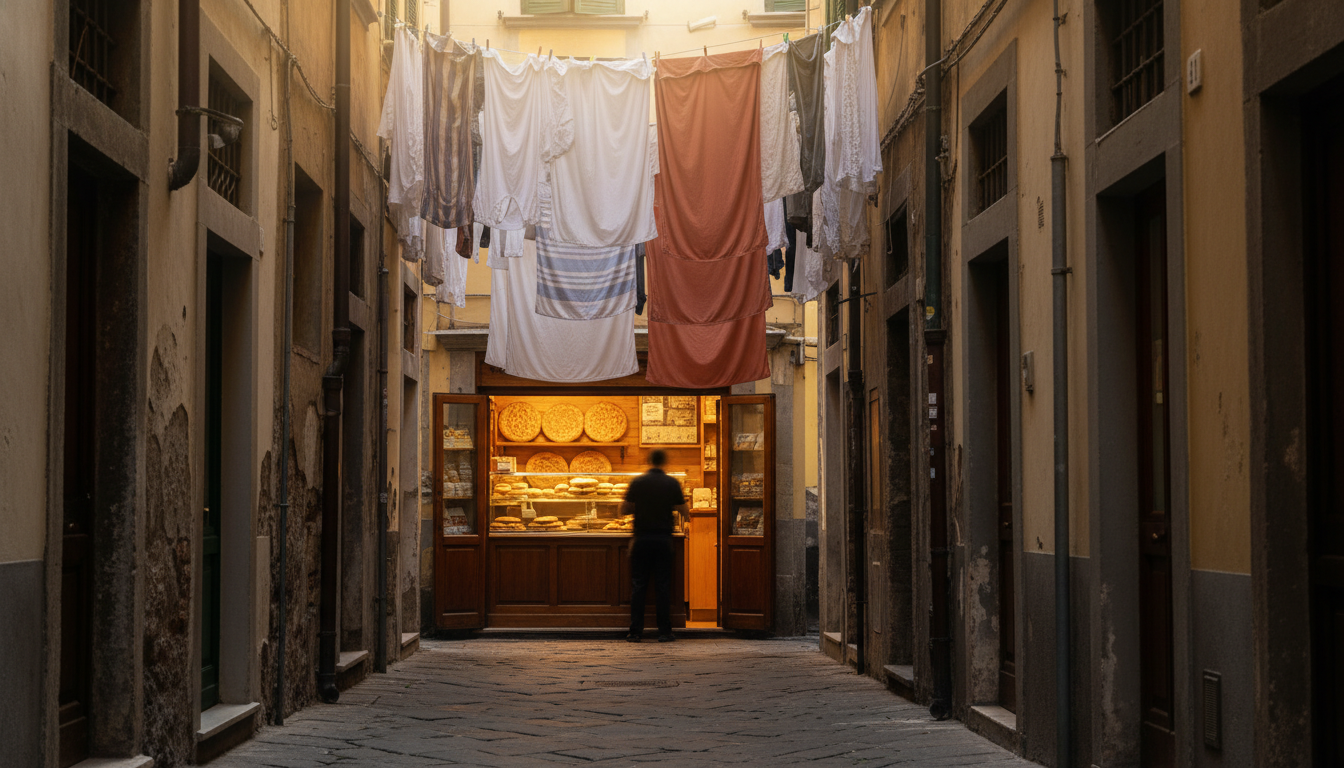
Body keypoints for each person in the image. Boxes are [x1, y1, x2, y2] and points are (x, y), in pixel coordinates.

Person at [622, 449, 688, 642]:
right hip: (663, 539)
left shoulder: (638, 482)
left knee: (639, 586)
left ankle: (635, 632)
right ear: (664, 462)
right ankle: (665, 632)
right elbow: (685, 511)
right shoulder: (672, 482)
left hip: (641, 539)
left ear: (649, 461)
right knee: (663, 587)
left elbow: (623, 509)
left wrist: (639, 508)